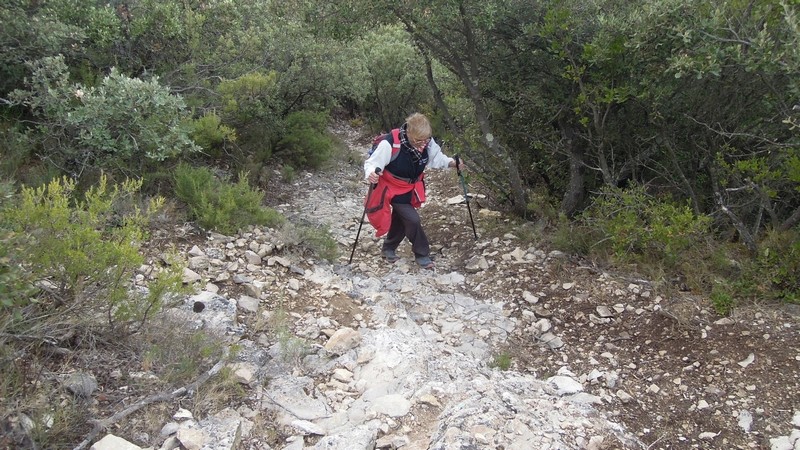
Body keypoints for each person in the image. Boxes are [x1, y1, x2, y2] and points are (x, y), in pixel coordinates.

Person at [363, 113, 463, 269]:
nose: (422, 144)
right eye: (418, 140)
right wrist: (371, 173)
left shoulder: (427, 144)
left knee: (401, 219)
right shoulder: (390, 143)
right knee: (412, 219)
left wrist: (452, 163)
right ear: (408, 132)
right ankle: (422, 254)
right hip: (390, 187)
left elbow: (437, 158)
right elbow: (372, 163)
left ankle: (388, 248)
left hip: (410, 187)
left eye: (425, 139)